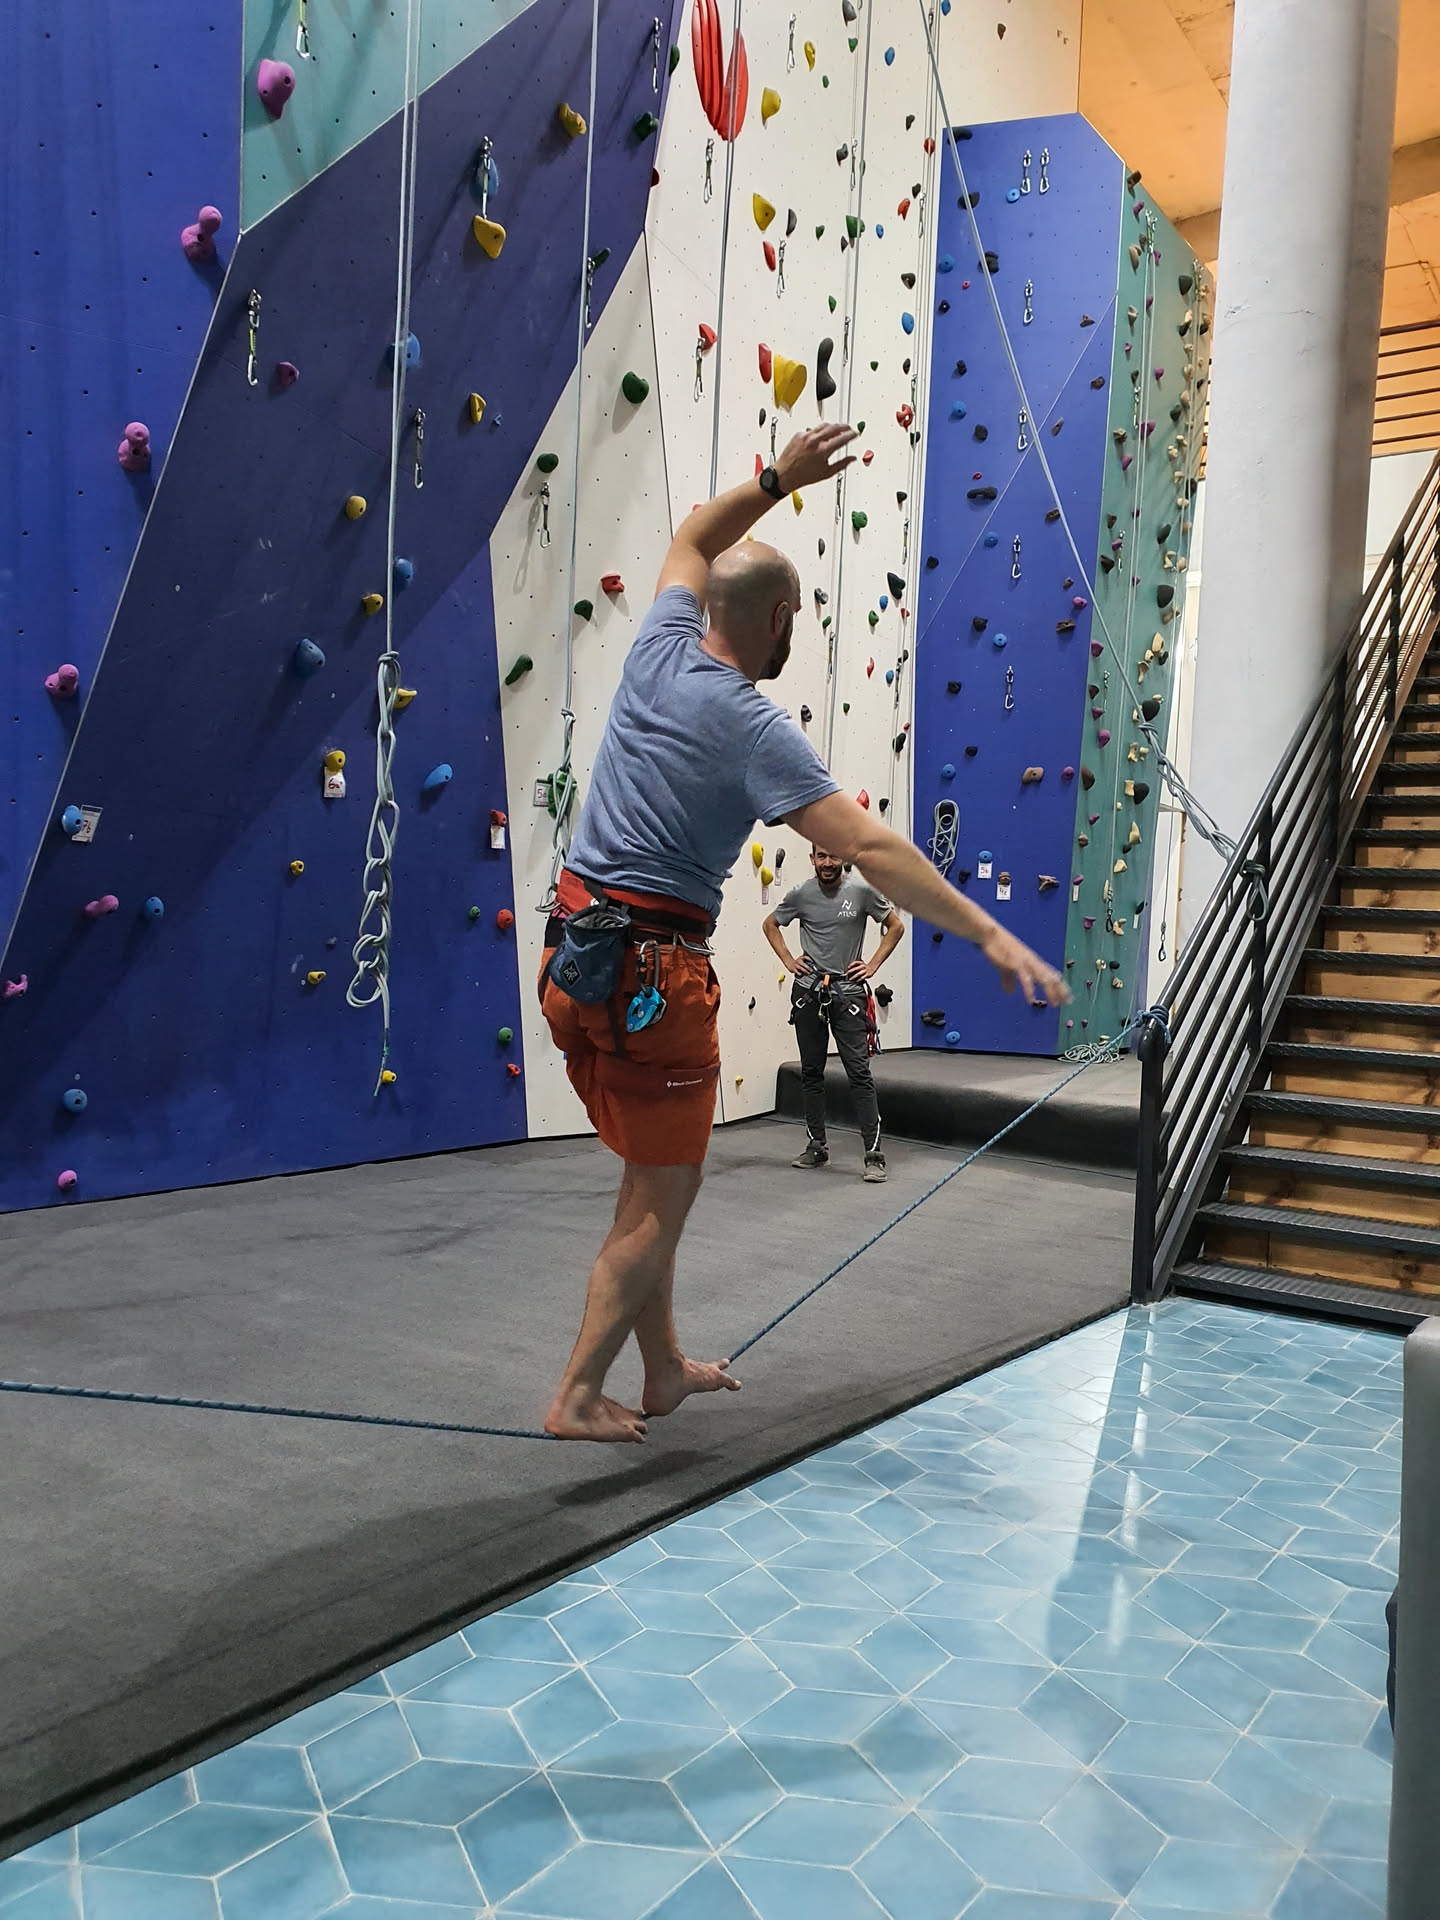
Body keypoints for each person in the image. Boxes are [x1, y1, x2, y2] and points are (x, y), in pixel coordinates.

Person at [539, 423, 1068, 1444]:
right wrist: (991, 935)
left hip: (575, 958)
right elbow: (870, 847)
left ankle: (660, 1370)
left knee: (653, 1182)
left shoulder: (657, 648)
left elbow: (693, 535)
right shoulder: (753, 727)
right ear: (780, 618)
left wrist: (779, 477)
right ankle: (577, 1391)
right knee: (657, 1202)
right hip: (653, 978)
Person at [763, 846, 903, 1181]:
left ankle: (874, 1155)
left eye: (834, 856)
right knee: (811, 1072)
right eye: (822, 856)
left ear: (844, 858)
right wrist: (788, 960)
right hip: (809, 993)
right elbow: (770, 925)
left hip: (847, 994)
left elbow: (895, 926)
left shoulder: (862, 891)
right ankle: (817, 1147)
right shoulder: (801, 894)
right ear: (812, 858)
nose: (828, 863)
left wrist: (872, 965)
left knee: (859, 1073)